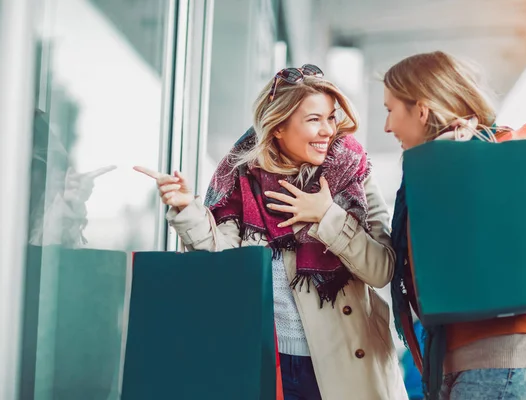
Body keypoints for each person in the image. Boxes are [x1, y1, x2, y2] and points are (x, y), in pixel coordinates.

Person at [136, 64, 408, 400]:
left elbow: (382, 269)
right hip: (265, 358)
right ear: (278, 127)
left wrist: (326, 216)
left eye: (331, 118)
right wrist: (185, 207)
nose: (327, 130)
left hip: (343, 364)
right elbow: (221, 261)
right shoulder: (243, 179)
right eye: (313, 119)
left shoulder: (354, 174)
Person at [383, 51, 526, 400]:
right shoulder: (431, 174)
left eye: (390, 110)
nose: (387, 126)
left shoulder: (465, 163)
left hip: (497, 366)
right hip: (467, 364)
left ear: (422, 109)